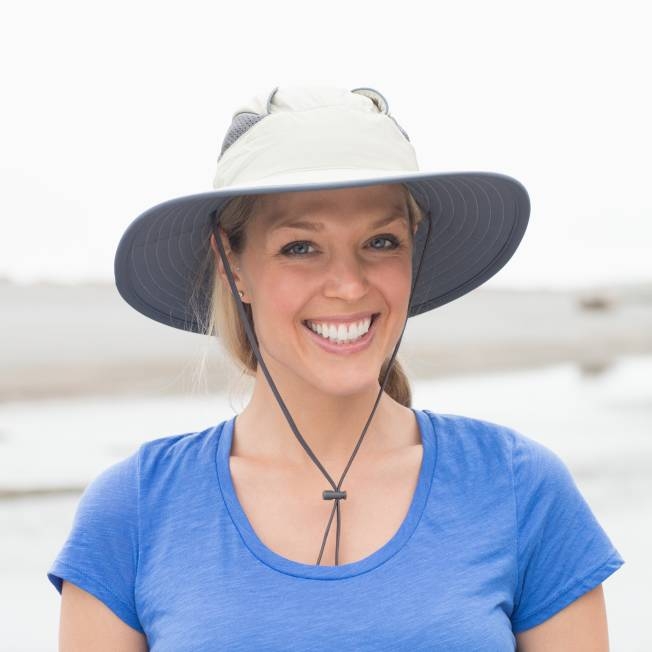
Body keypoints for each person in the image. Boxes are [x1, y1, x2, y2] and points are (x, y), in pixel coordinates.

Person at [47, 84, 624, 650]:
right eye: (300, 247)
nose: (349, 286)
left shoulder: (519, 488)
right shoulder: (133, 511)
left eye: (381, 242)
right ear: (233, 265)